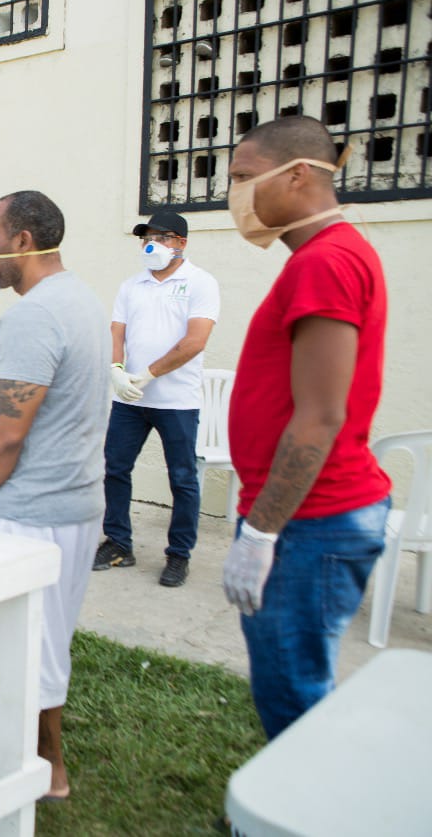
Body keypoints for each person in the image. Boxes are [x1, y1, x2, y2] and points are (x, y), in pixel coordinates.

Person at [222, 115, 390, 741]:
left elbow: (320, 417)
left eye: (243, 177)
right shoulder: (325, 257)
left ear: (297, 176)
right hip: (307, 516)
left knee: (294, 696)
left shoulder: (327, 261)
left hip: (311, 520)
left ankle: (310, 794)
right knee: (289, 686)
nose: (235, 194)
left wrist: (261, 532)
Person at [0, 191, 109, 800]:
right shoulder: (83, 299)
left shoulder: (33, 316)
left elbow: (7, 431)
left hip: (33, 509)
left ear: (22, 240)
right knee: (49, 638)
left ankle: (44, 767)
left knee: (27, 647)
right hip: (77, 501)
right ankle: (27, 752)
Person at [93, 211, 220, 588]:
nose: (152, 245)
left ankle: (179, 554)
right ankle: (118, 542)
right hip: (130, 400)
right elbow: (117, 331)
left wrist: (148, 373)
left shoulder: (200, 283)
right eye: (147, 238)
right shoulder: (131, 286)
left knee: (182, 478)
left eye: (162, 238)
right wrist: (116, 369)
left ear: (181, 243)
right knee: (115, 468)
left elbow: (195, 342)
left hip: (177, 401)